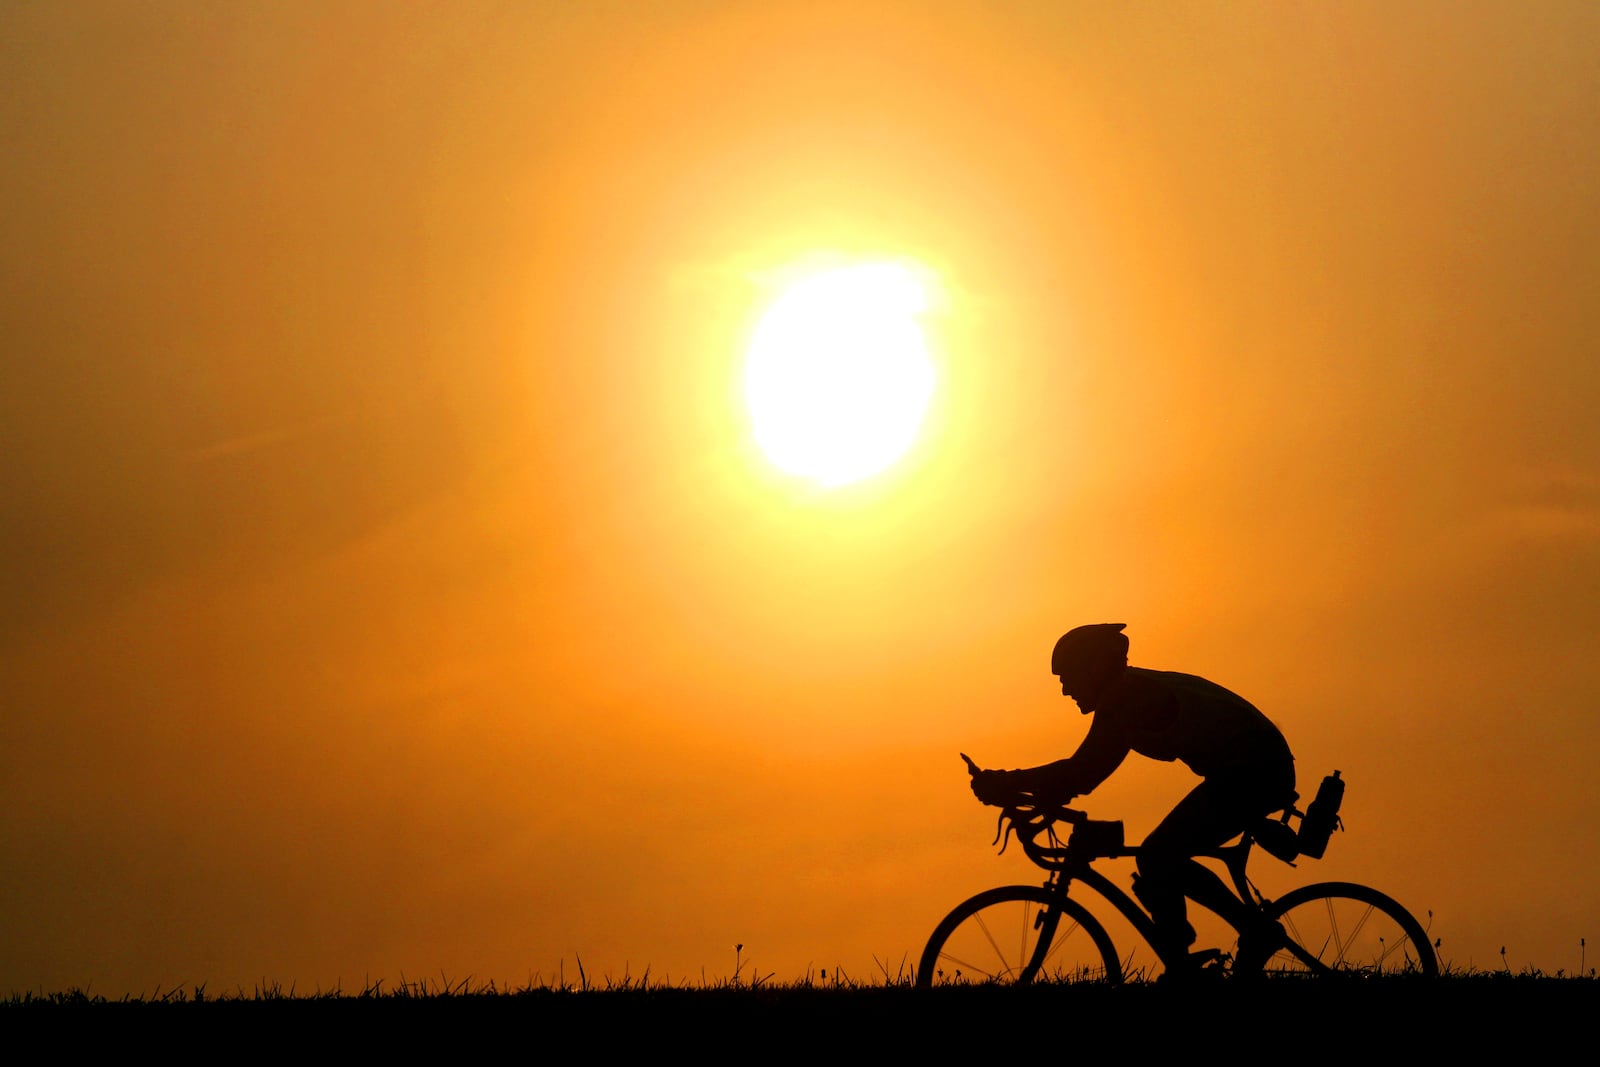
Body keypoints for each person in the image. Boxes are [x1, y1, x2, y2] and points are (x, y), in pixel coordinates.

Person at [968, 623, 1294, 971]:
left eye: (1067, 677)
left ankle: (1244, 935)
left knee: (1159, 855)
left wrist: (1008, 782)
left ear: (1092, 668)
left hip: (1253, 770)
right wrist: (1022, 787)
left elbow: (1084, 772)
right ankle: (1189, 955)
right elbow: (1079, 776)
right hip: (1251, 765)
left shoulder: (1126, 696)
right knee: (1159, 857)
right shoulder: (1127, 688)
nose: (1065, 690)